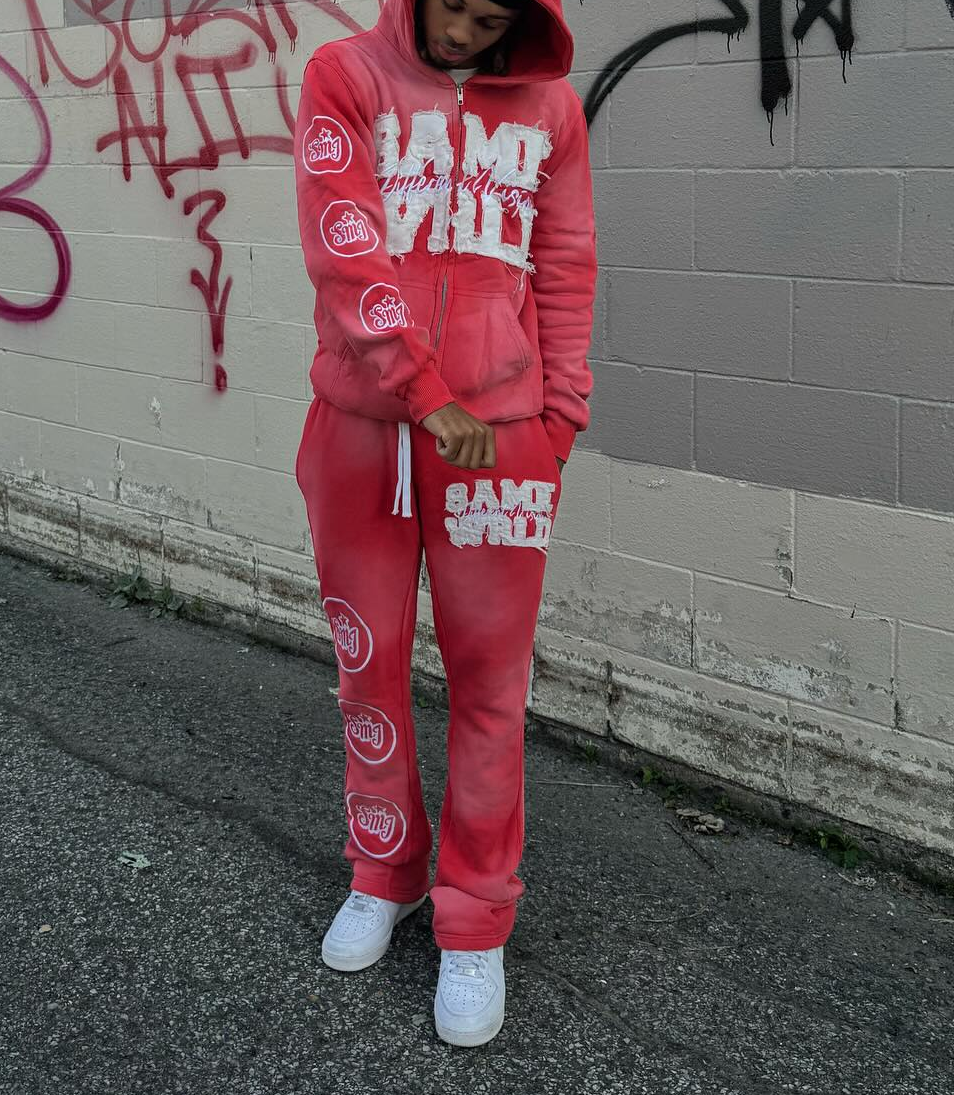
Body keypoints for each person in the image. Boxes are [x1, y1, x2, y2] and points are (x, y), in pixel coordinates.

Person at [292, 0, 596, 1047]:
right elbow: (343, 247)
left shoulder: (551, 109)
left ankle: (474, 918)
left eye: (491, 16)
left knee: (491, 690)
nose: (466, 33)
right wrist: (423, 394)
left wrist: (558, 421)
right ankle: (385, 869)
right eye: (455, 6)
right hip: (363, 430)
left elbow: (566, 260)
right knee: (367, 667)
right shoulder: (345, 74)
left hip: (500, 439)